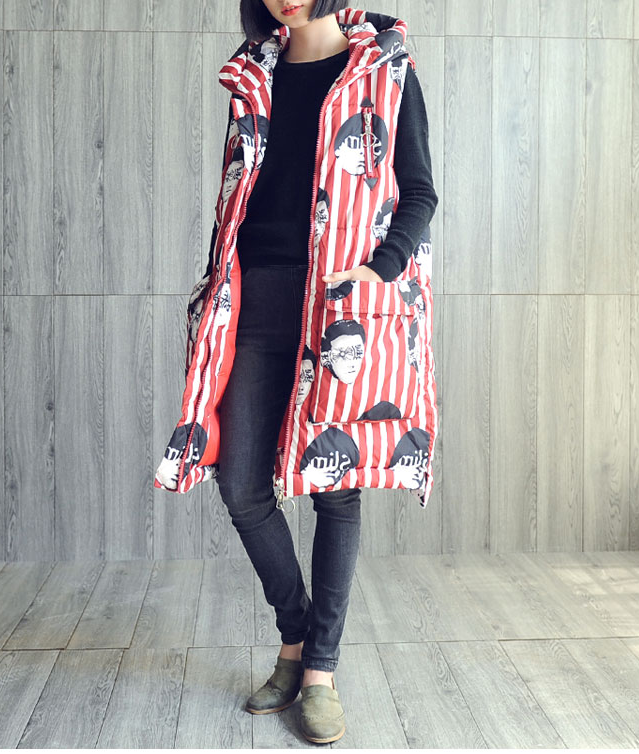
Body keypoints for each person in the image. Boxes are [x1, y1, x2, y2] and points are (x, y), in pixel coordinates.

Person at [202, 0, 438, 744]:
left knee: (336, 488)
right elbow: (239, 195)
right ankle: (297, 635)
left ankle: (320, 672)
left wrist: (379, 270)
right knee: (242, 485)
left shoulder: (385, 70)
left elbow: (420, 190)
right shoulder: (255, 74)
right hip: (257, 296)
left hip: (339, 302)